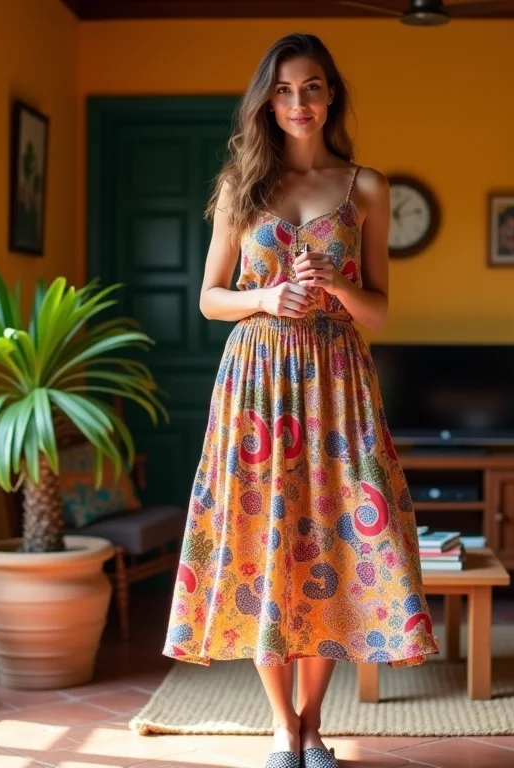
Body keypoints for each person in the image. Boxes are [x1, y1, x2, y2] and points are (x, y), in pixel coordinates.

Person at [162, 32, 439, 768]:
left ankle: (314, 725)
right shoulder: (239, 189)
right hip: (256, 385)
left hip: (337, 386)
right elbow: (209, 300)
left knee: (335, 546)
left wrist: (337, 287)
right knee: (263, 546)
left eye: (311, 87)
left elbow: (378, 311)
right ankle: (285, 730)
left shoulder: (366, 187)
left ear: (331, 95)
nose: (298, 103)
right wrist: (268, 296)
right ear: (266, 101)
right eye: (283, 90)